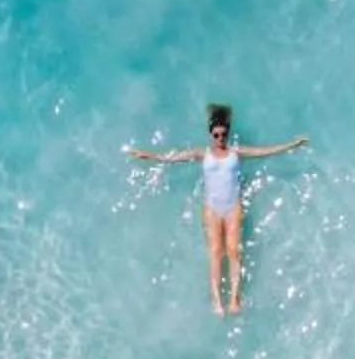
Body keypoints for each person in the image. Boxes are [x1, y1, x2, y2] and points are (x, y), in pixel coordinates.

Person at [128, 103, 308, 315]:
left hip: (233, 207)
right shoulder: (201, 153)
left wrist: (292, 144)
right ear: (210, 134)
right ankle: (216, 300)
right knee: (215, 252)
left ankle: (234, 298)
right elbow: (172, 158)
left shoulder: (236, 152)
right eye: (216, 135)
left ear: (228, 133)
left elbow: (265, 151)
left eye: (223, 135)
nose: (220, 139)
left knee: (233, 251)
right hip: (212, 208)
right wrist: (147, 155)